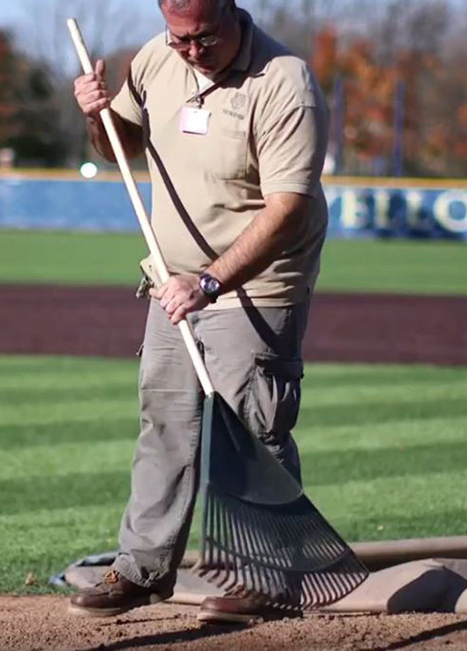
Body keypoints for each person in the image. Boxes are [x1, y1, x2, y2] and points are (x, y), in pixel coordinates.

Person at [70, 0, 329, 624]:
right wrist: (96, 117)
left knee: (252, 431)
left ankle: (266, 580)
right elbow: (119, 148)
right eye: (178, 36)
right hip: (173, 283)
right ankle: (143, 569)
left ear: (231, 11)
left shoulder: (284, 81)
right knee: (166, 422)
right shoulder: (155, 59)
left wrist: (210, 282)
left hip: (256, 285)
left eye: (203, 38)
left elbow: (287, 207)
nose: (189, 50)